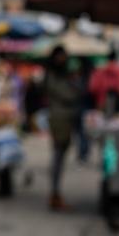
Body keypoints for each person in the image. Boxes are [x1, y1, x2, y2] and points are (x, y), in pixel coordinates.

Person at [44, 46, 82, 211]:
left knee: (60, 155)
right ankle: (55, 193)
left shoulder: (62, 74)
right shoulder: (53, 75)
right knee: (58, 156)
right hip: (59, 118)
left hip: (65, 117)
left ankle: (56, 192)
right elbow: (67, 94)